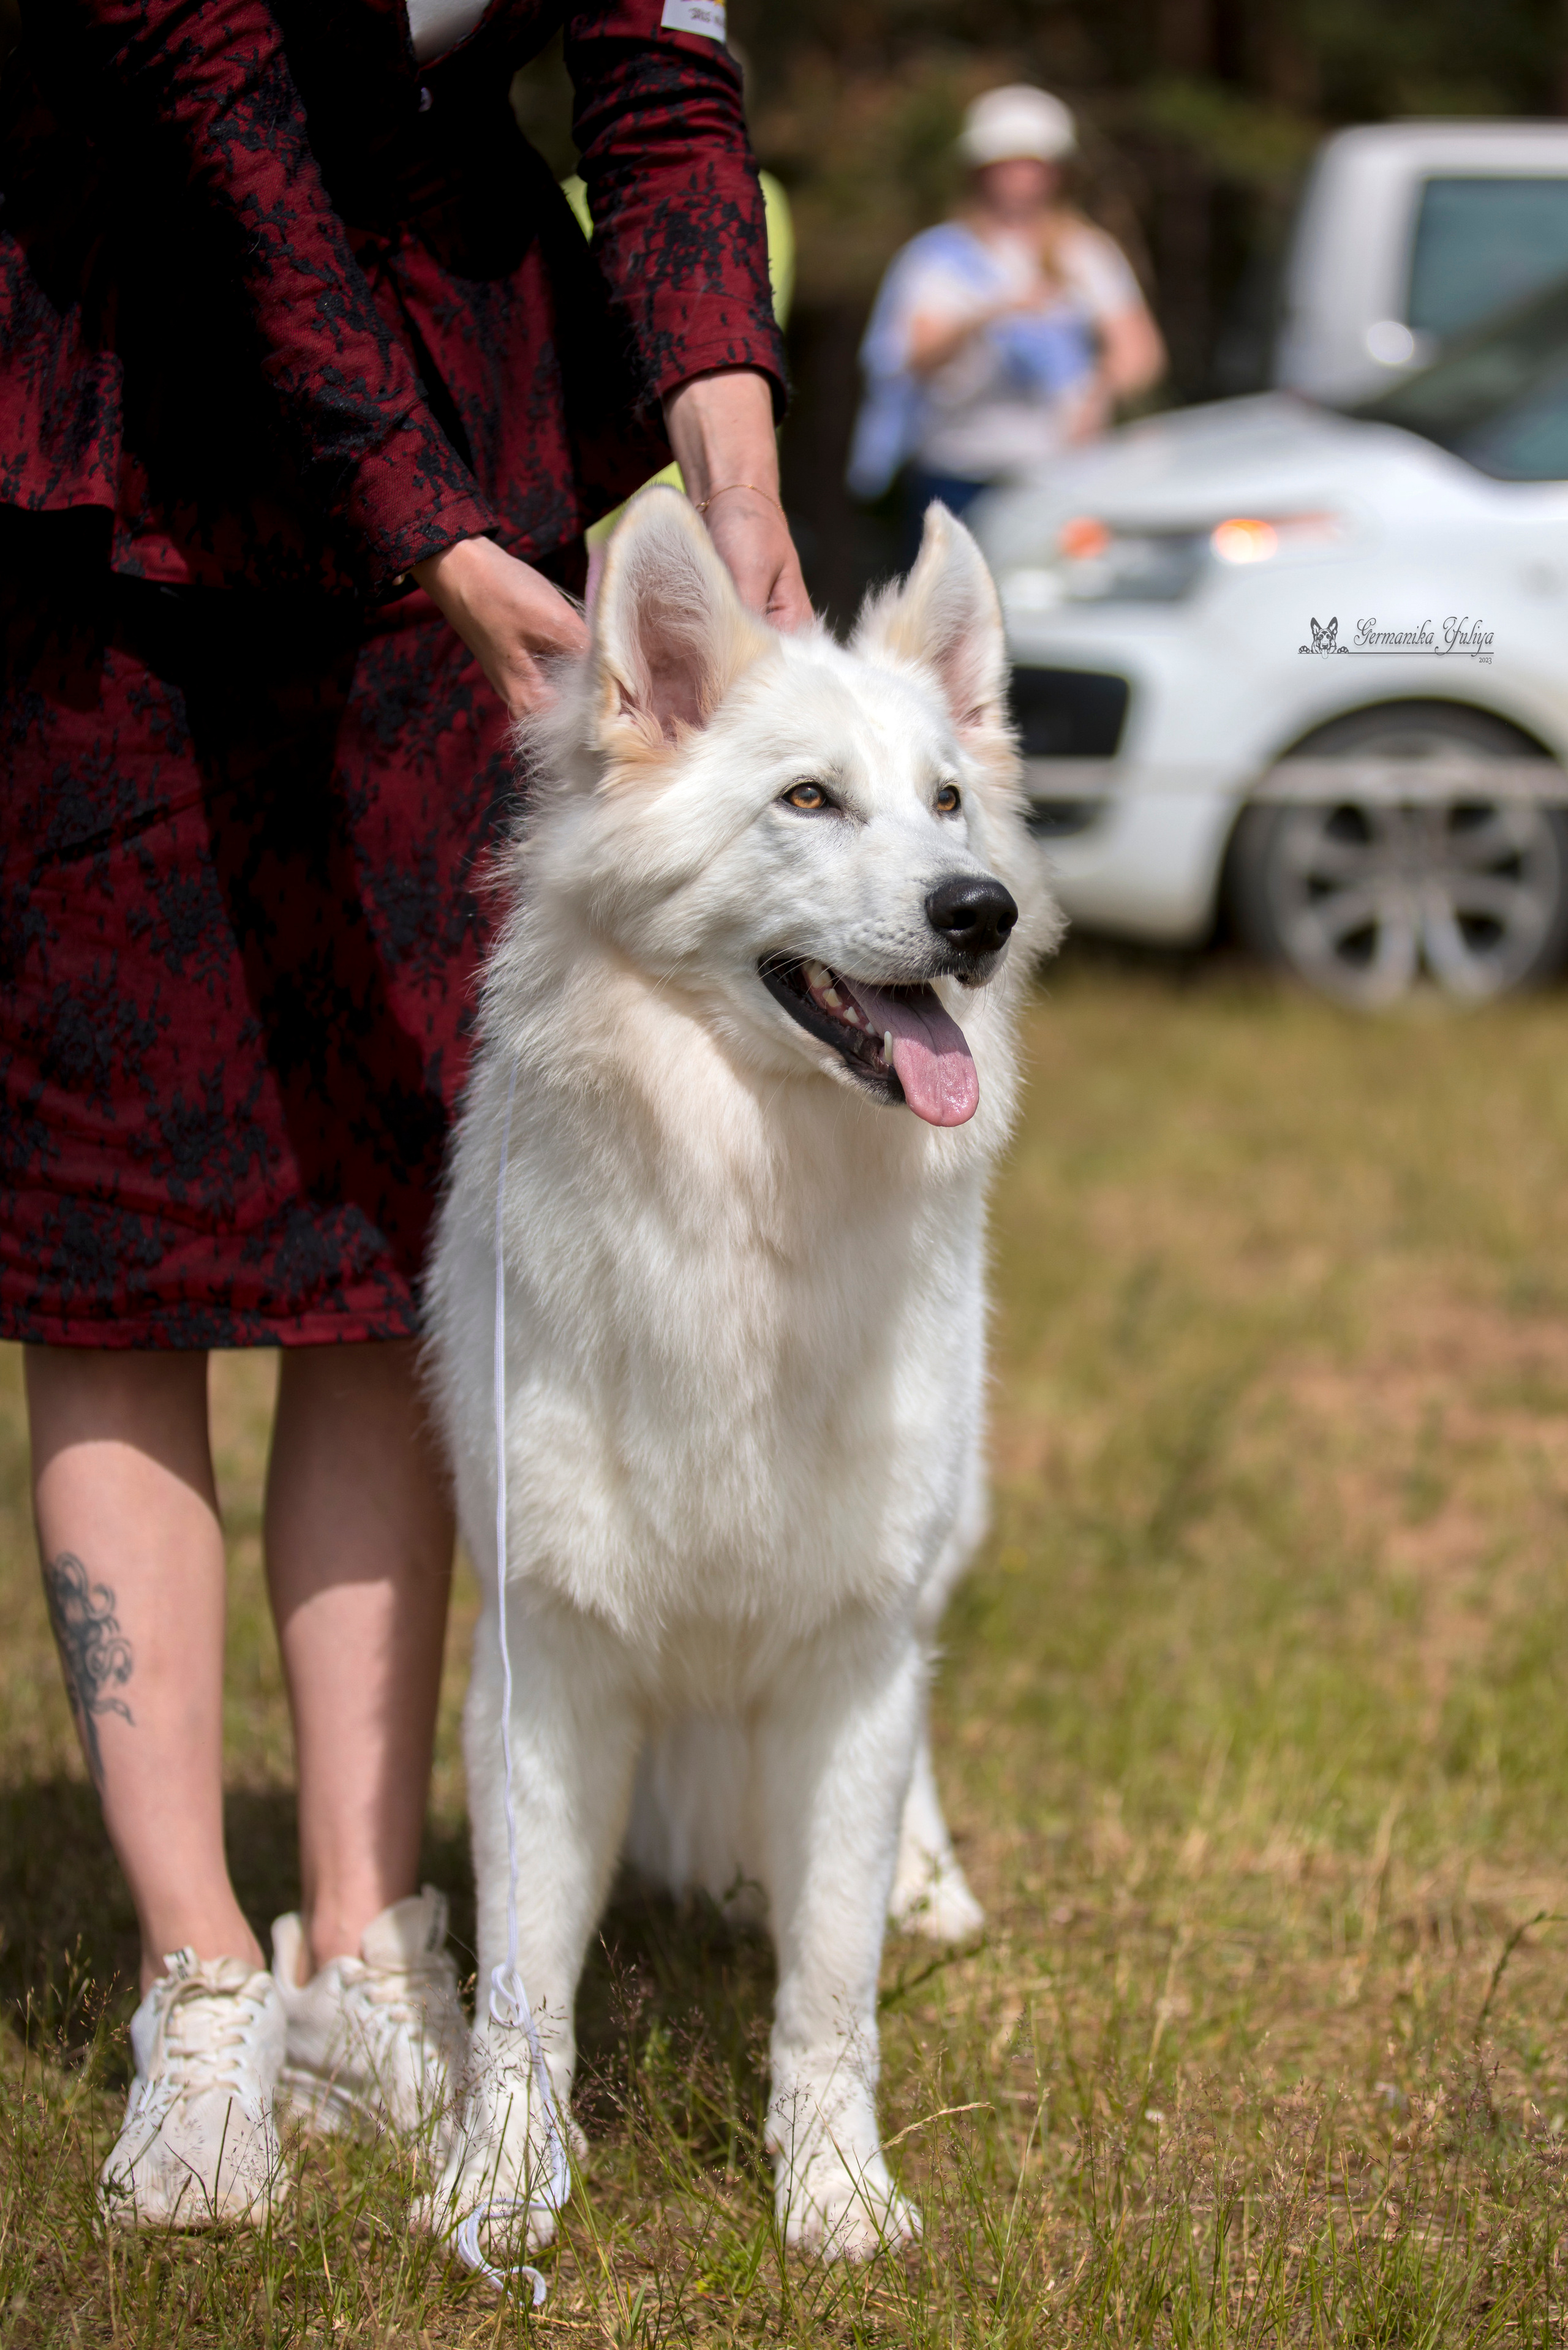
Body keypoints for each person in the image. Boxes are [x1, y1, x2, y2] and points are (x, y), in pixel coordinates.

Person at [0, 0, 807, 2231]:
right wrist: (451, 556)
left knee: (392, 1216)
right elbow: (225, 140)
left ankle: (363, 1936)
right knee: (117, 1238)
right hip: (126, 449)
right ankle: (196, 1976)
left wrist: (732, 497)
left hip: (466, 432)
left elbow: (657, 98)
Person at [848, 83, 1166, 557]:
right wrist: (986, 317)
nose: (1021, 177)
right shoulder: (936, 257)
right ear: (979, 170)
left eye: (1033, 163)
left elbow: (1141, 354)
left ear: (1057, 171)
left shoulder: (1087, 252)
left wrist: (1099, 391)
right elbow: (909, 357)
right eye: (1007, 163)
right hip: (957, 472)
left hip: (1058, 473)